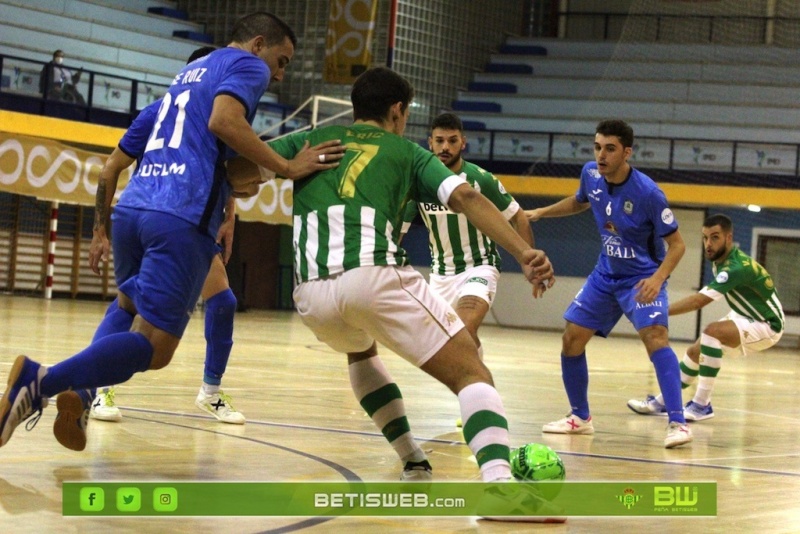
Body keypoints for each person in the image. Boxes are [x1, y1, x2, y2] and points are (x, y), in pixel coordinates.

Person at [0, 11, 346, 452]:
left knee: (127, 305)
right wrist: (286, 167)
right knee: (156, 348)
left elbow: (214, 152)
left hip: (134, 209)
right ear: (259, 44)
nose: (279, 74)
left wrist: (236, 185)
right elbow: (225, 122)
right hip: (179, 216)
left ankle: (85, 392)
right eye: (282, 61)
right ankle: (42, 380)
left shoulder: (184, 78)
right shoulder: (246, 66)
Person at [267, 66, 556, 504]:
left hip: (309, 295)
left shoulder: (308, 143)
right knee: (471, 370)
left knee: (360, 350)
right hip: (370, 276)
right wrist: (524, 252)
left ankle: (413, 459)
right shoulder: (408, 153)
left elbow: (235, 171)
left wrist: (285, 167)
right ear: (398, 111)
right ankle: (500, 484)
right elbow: (467, 199)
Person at [88, 46, 247, 425]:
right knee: (130, 307)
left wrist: (229, 216)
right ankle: (99, 388)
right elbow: (110, 168)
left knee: (222, 302)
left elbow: (226, 173)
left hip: (191, 221)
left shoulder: (221, 112)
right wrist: (98, 231)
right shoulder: (159, 112)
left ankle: (210, 392)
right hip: (161, 216)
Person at [527, 119, 693, 449]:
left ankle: (679, 422)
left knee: (656, 338)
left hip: (641, 277)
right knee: (571, 338)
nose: (601, 155)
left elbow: (678, 245)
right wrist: (540, 213)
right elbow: (580, 201)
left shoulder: (648, 193)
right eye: (597, 147)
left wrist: (658, 278)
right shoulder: (590, 174)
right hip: (605, 275)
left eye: (610, 149)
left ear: (627, 152)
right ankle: (580, 418)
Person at [400, 112, 536, 427]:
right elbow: (398, 230)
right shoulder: (420, 182)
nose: (445, 146)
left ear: (463, 142)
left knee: (464, 327)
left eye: (452, 140)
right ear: (429, 143)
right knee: (458, 342)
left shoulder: (480, 179)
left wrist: (526, 260)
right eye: (439, 140)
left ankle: (481, 407)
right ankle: (480, 392)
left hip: (480, 266)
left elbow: (519, 216)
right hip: (440, 276)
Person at [627, 213, 784, 421]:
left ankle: (702, 404)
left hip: (768, 324)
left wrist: (658, 312)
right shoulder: (723, 260)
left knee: (712, 333)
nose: (708, 244)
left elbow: (697, 302)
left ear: (729, 238)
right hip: (746, 314)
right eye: (705, 237)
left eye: (715, 237)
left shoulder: (735, 268)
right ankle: (664, 401)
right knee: (694, 351)